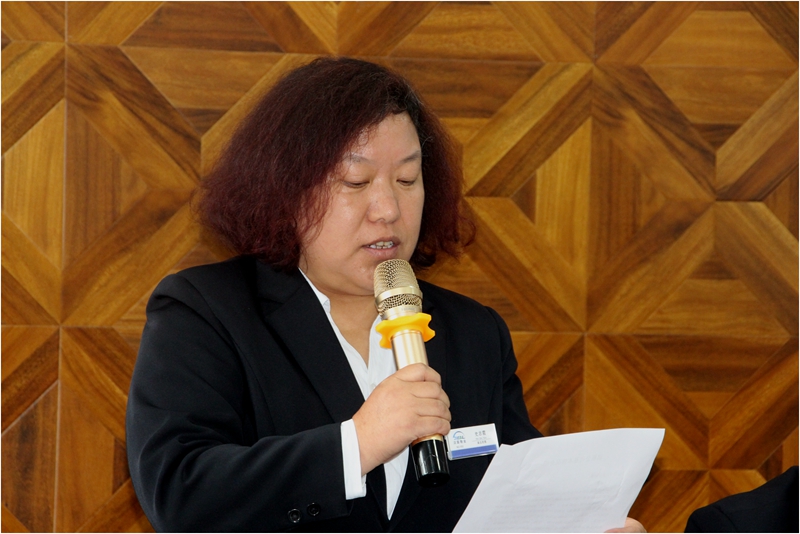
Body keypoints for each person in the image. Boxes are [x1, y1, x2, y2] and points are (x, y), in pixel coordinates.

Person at [126, 57, 643, 532]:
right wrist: (357, 444)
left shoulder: (474, 332)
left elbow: (521, 494)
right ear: (284, 188)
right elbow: (178, 492)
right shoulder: (207, 310)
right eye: (356, 181)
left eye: (407, 179)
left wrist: (585, 525)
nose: (389, 209)